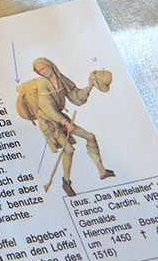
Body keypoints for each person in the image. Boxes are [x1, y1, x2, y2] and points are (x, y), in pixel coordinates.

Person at [17, 57, 114, 197]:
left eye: (43, 68)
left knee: (90, 137)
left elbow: (75, 97)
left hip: (60, 118)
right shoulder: (43, 83)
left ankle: (102, 171)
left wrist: (89, 87)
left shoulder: (61, 79)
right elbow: (48, 109)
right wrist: (65, 123)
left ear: (50, 65)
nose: (43, 72)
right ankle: (66, 182)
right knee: (69, 149)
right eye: (39, 71)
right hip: (49, 122)